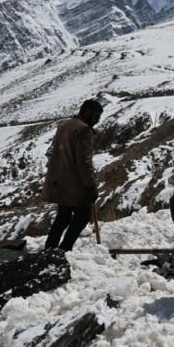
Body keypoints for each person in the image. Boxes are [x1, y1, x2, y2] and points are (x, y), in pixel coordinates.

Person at [43, 99, 103, 251]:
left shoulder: (65, 125)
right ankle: (64, 249)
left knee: (62, 217)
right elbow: (84, 162)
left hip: (60, 182)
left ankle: (49, 249)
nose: (97, 120)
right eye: (96, 116)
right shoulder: (84, 130)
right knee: (82, 216)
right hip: (75, 185)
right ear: (87, 112)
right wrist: (90, 186)